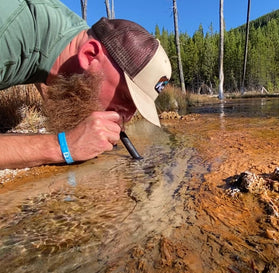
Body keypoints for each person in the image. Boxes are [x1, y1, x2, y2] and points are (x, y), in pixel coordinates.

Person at [0, 0, 172, 169]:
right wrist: (63, 146)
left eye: (134, 108)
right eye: (124, 97)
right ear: (89, 55)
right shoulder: (9, 34)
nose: (125, 118)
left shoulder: (73, 41)